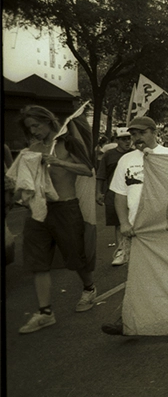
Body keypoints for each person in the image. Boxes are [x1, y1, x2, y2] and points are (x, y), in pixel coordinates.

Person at [14, 105, 98, 334]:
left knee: (74, 256)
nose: (34, 131)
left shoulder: (68, 143)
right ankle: (45, 312)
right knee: (37, 261)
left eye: (36, 125)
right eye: (30, 127)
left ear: (49, 121)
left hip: (66, 207)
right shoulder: (31, 149)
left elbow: (87, 170)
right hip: (38, 209)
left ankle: (89, 288)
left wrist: (59, 162)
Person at [101, 115, 168, 335]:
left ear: (155, 133)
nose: (137, 138)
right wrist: (124, 223)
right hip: (138, 229)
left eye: (142, 133)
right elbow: (119, 195)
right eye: (133, 134)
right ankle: (127, 319)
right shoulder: (126, 160)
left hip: (165, 227)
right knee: (136, 276)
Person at [95, 127, 133, 267]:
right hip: (113, 193)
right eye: (123, 139)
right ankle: (121, 250)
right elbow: (101, 174)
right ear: (117, 140)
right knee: (118, 223)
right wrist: (98, 192)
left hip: (131, 192)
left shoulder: (135, 154)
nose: (127, 141)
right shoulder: (109, 155)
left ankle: (133, 250)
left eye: (129, 138)